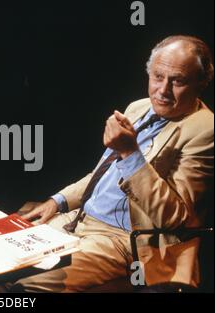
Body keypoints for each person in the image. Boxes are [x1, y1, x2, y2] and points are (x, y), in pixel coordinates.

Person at [14, 35, 214, 292]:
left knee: (28, 285)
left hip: (120, 239)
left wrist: (130, 153)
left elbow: (174, 217)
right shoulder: (138, 107)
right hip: (77, 219)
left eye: (178, 81)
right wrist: (58, 201)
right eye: (157, 77)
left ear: (201, 83)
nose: (163, 90)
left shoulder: (205, 128)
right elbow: (102, 173)